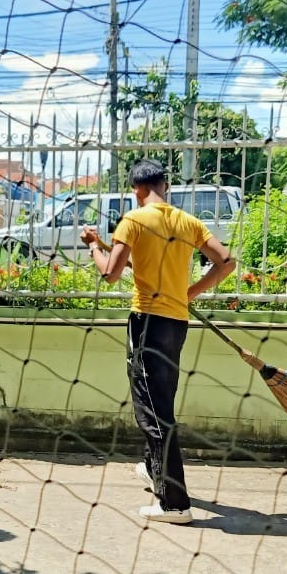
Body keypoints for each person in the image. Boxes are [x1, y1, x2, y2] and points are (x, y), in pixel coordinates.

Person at [81, 160, 237, 524]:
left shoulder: (133, 221)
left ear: (136, 190)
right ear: (164, 185)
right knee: (160, 400)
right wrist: (189, 293)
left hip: (147, 323)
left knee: (152, 412)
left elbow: (110, 273)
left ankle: (175, 504)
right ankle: (154, 471)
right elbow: (226, 261)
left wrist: (92, 246)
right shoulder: (187, 221)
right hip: (176, 323)